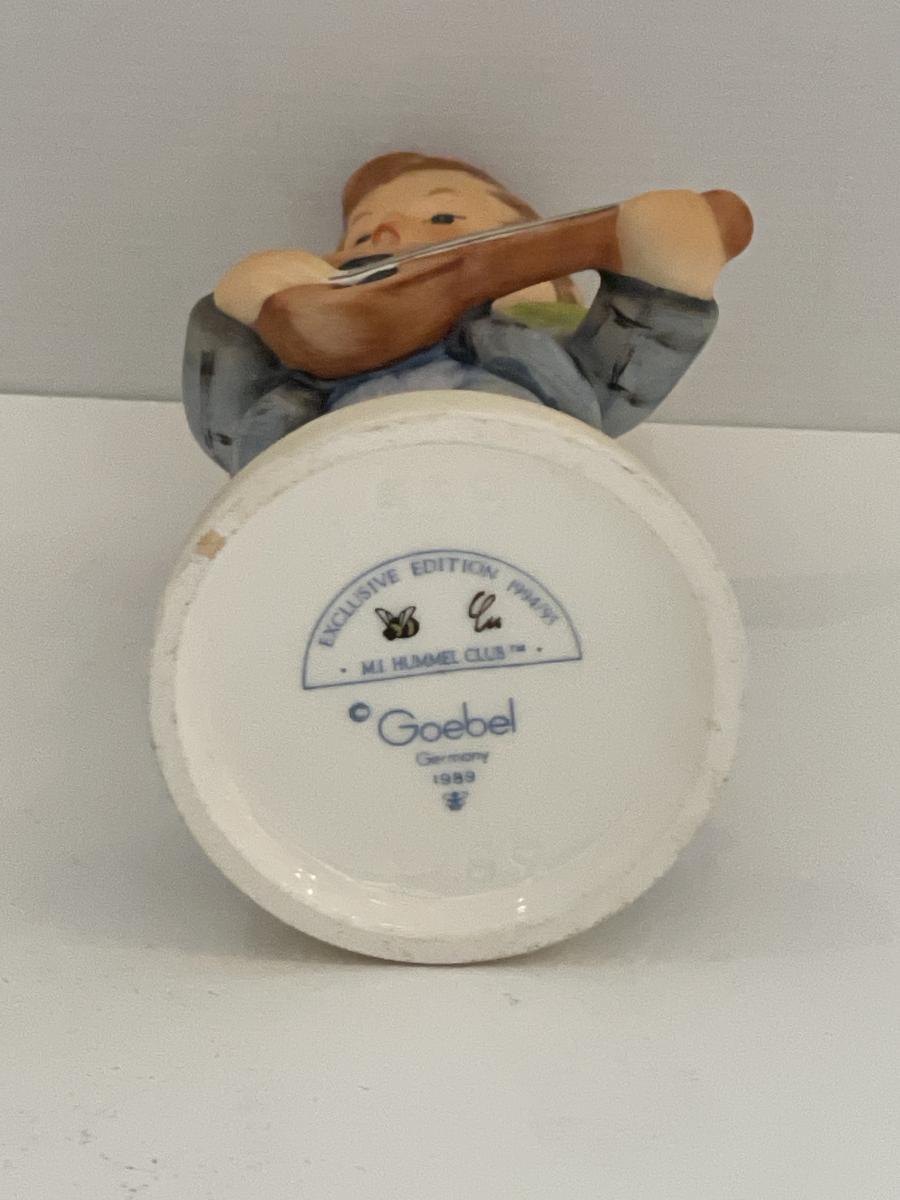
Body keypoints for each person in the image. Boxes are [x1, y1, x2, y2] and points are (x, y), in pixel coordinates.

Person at [183, 152, 734, 474]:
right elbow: (231, 433)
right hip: (332, 486)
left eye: (444, 218)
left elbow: (619, 380)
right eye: (363, 236)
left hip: (523, 475)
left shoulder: (539, 361)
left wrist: (661, 278)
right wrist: (240, 313)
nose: (389, 234)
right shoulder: (299, 390)